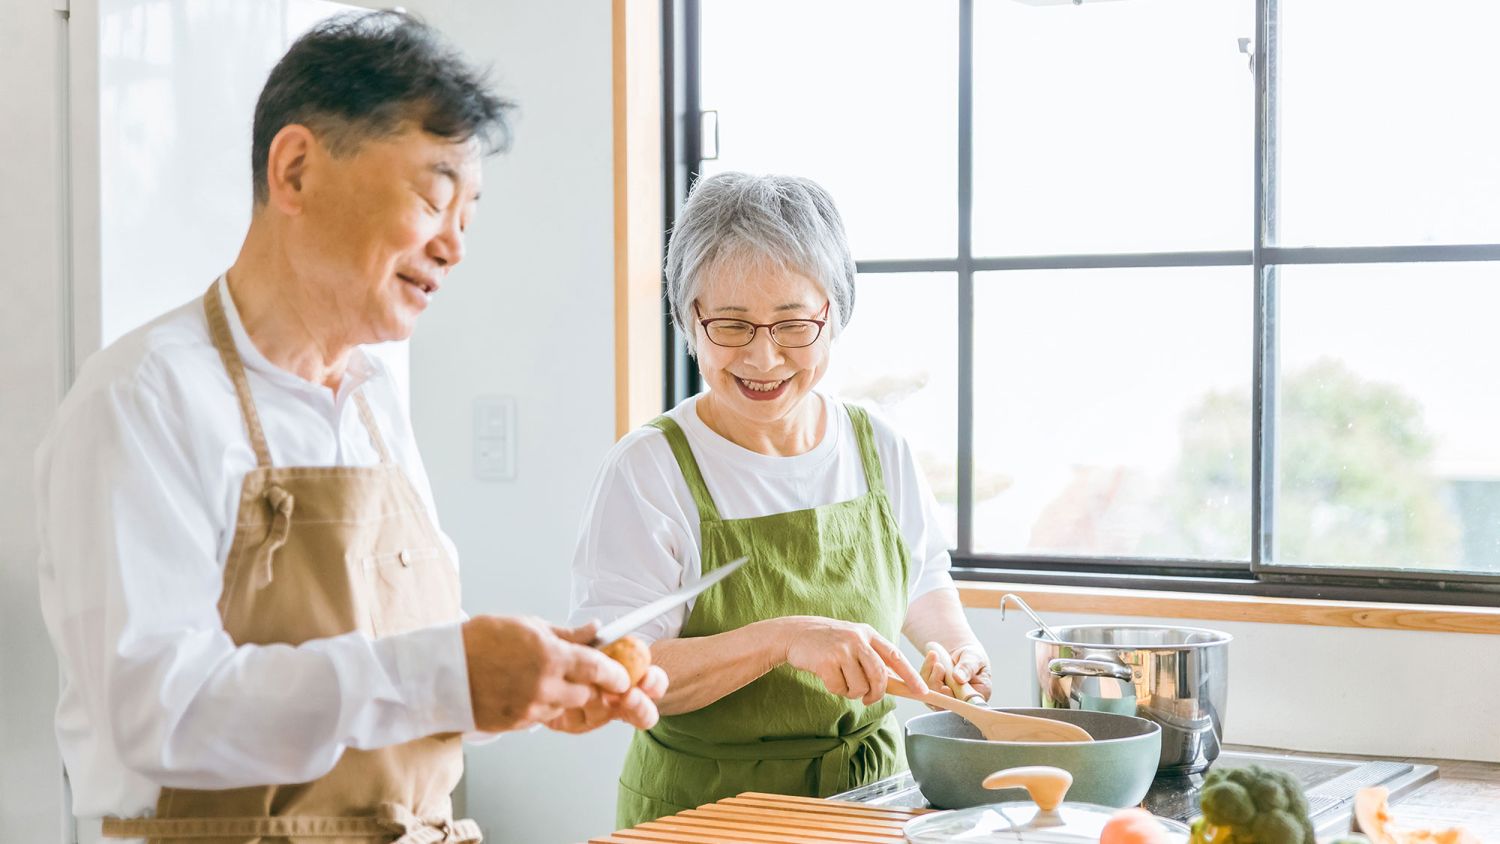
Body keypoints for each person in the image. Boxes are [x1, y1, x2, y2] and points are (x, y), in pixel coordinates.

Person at [34, 12, 664, 843]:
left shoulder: (373, 403)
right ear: (295, 170)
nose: (455, 246)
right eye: (435, 197)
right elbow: (157, 714)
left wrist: (519, 689)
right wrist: (451, 673)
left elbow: (395, 683)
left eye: (469, 213)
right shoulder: (145, 397)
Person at [570, 172, 991, 825]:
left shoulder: (877, 445)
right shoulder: (648, 469)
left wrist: (957, 656)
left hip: (871, 800)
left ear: (835, 314)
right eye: (731, 325)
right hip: (702, 812)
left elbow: (923, 577)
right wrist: (782, 638)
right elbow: (625, 666)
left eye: (793, 324)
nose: (764, 357)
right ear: (688, 319)